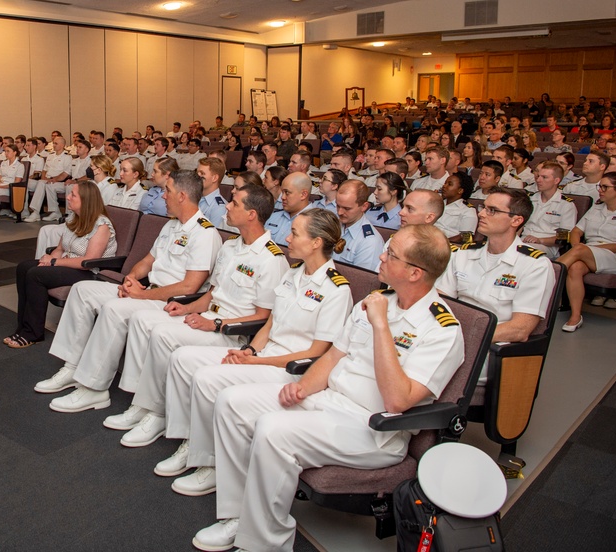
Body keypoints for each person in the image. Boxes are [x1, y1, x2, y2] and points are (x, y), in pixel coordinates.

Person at [194, 224, 464, 552]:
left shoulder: (442, 329)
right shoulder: (378, 300)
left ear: (414, 273)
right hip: (331, 401)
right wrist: (304, 388)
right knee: (232, 402)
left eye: (391, 254)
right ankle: (237, 515)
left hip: (375, 430)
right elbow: (336, 354)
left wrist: (381, 326)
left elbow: (397, 400)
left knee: (272, 430)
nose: (381, 255)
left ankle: (265, 542)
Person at [156, 208, 353, 491]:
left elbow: (318, 352)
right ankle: (194, 444)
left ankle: (211, 462)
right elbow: (270, 325)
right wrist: (250, 352)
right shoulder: (293, 273)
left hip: (292, 371)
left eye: (295, 233)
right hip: (264, 357)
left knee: (208, 379)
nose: (287, 237)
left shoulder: (337, 290)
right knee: (184, 358)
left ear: (316, 243)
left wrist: (258, 362)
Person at [102, 185, 288, 447]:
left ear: (252, 215)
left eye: (234, 203)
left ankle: (156, 413)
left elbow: (262, 317)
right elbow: (212, 293)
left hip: (232, 334)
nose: (227, 206)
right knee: (150, 324)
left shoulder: (272, 259)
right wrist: (188, 308)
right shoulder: (231, 246)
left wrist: (215, 323)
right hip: (208, 319)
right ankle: (144, 406)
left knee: (164, 335)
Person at [33, 170, 223, 412]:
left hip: (168, 301)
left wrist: (141, 294)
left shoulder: (205, 234)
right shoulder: (171, 226)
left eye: (168, 191)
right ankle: (71, 367)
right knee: (82, 290)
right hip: (146, 292)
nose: (163, 196)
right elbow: (147, 260)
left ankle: (94, 388)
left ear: (183, 196)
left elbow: (190, 286)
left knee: (113, 309)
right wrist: (131, 279)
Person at [437, 187, 554, 383]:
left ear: (516, 220)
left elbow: (520, 329)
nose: (481, 213)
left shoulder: (535, 265)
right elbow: (440, 299)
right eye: (483, 207)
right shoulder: (464, 253)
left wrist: (461, 336)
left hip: (487, 348)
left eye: (492, 210)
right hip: (448, 337)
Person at [9, 181, 118, 348]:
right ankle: (23, 326)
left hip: (89, 271)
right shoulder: (74, 218)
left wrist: (53, 262)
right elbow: (60, 248)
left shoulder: (101, 225)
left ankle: (33, 333)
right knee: (24, 267)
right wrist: (49, 261)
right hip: (68, 264)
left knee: (35, 275)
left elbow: (88, 261)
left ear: (86, 200)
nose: (68, 197)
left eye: (73, 195)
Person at [559, 172, 616, 330]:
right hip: (588, 253)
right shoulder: (596, 208)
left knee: (580, 251)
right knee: (575, 267)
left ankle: (550, 274)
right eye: (599, 186)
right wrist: (577, 249)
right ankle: (575, 316)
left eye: (605, 187)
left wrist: (584, 249)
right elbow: (576, 232)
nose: (600, 190)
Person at [521, 161, 577, 258]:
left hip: (547, 246)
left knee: (523, 253)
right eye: (538, 176)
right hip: (522, 241)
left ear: (556, 181)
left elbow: (563, 238)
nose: (538, 180)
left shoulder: (566, 205)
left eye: (544, 177)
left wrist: (540, 240)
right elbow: (518, 225)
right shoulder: (529, 199)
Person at [333, 179, 385, 271]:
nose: (340, 212)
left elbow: (360, 280)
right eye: (338, 206)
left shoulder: (370, 242)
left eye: (347, 208)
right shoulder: (334, 225)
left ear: (364, 207)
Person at [25, 136, 73, 222]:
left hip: (59, 181)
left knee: (47, 184)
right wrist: (44, 178)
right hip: (48, 179)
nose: (54, 145)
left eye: (56, 143)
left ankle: (49, 211)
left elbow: (65, 173)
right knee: (41, 182)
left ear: (62, 145)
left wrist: (54, 179)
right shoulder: (50, 156)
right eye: (53, 143)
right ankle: (37, 212)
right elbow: (44, 170)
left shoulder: (67, 157)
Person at [264, 172, 315, 246]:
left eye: (287, 192)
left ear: (303, 195)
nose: (282, 197)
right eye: (282, 192)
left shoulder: (316, 222)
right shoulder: (272, 216)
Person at [435, 172, 479, 242]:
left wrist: (443, 243)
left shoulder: (468, 210)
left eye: (449, 184)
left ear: (460, 190)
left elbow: (466, 237)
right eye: (445, 183)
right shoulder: (437, 202)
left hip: (448, 246)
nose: (444, 186)